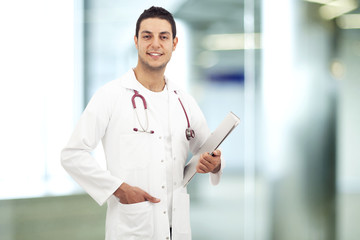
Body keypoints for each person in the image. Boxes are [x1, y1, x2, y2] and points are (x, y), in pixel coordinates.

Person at [61, 6, 223, 240]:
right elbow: (73, 154)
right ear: (136, 41)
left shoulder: (184, 101)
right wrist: (119, 189)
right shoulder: (111, 96)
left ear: (174, 44)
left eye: (163, 37)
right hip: (132, 228)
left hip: (176, 228)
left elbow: (207, 151)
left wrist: (215, 164)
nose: (155, 44)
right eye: (147, 36)